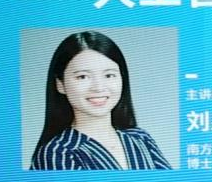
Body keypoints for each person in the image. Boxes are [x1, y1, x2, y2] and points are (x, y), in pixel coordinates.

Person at [30, 31, 171, 170]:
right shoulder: (57, 153)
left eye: (109, 75)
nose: (98, 88)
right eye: (82, 77)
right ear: (60, 84)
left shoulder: (140, 138)